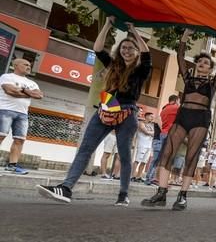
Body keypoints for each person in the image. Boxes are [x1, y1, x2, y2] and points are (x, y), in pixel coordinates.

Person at [37, 17, 151, 206]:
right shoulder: (113, 65)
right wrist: (107, 24)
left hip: (128, 113)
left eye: (131, 48)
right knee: (85, 148)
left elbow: (147, 55)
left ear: (137, 51)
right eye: (123, 47)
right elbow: (98, 49)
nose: (126, 50)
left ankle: (123, 193)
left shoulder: (141, 70)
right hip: (106, 108)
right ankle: (66, 188)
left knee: (124, 154)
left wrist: (134, 32)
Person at [142, 28, 216, 210]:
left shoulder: (212, 82)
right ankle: (161, 193)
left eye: (207, 63)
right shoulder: (188, 76)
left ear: (210, 69)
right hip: (183, 116)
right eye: (200, 62)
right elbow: (180, 56)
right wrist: (185, 37)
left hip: (201, 119)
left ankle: (182, 196)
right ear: (196, 64)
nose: (203, 64)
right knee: (166, 153)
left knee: (191, 157)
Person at [0, 58, 43, 175]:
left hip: (23, 114)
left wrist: (23, 89)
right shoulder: (7, 77)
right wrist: (29, 93)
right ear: (16, 65)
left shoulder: (32, 82)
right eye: (25, 64)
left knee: (19, 140)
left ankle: (12, 166)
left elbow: (39, 95)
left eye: (29, 65)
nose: (29, 67)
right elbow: (10, 91)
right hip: (5, 110)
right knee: (0, 136)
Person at [146, 95, 179, 185]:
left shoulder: (163, 113)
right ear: (176, 100)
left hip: (158, 139)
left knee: (157, 160)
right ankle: (150, 178)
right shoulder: (159, 118)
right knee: (157, 160)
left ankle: (151, 178)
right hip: (158, 140)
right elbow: (162, 129)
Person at [132, 112, 156, 182]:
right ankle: (133, 175)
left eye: (153, 116)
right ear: (146, 116)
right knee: (137, 160)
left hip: (149, 145)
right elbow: (146, 132)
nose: (152, 118)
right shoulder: (141, 123)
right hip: (142, 144)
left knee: (144, 162)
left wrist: (152, 133)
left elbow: (154, 133)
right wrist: (153, 133)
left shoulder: (152, 125)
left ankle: (138, 176)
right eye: (151, 116)